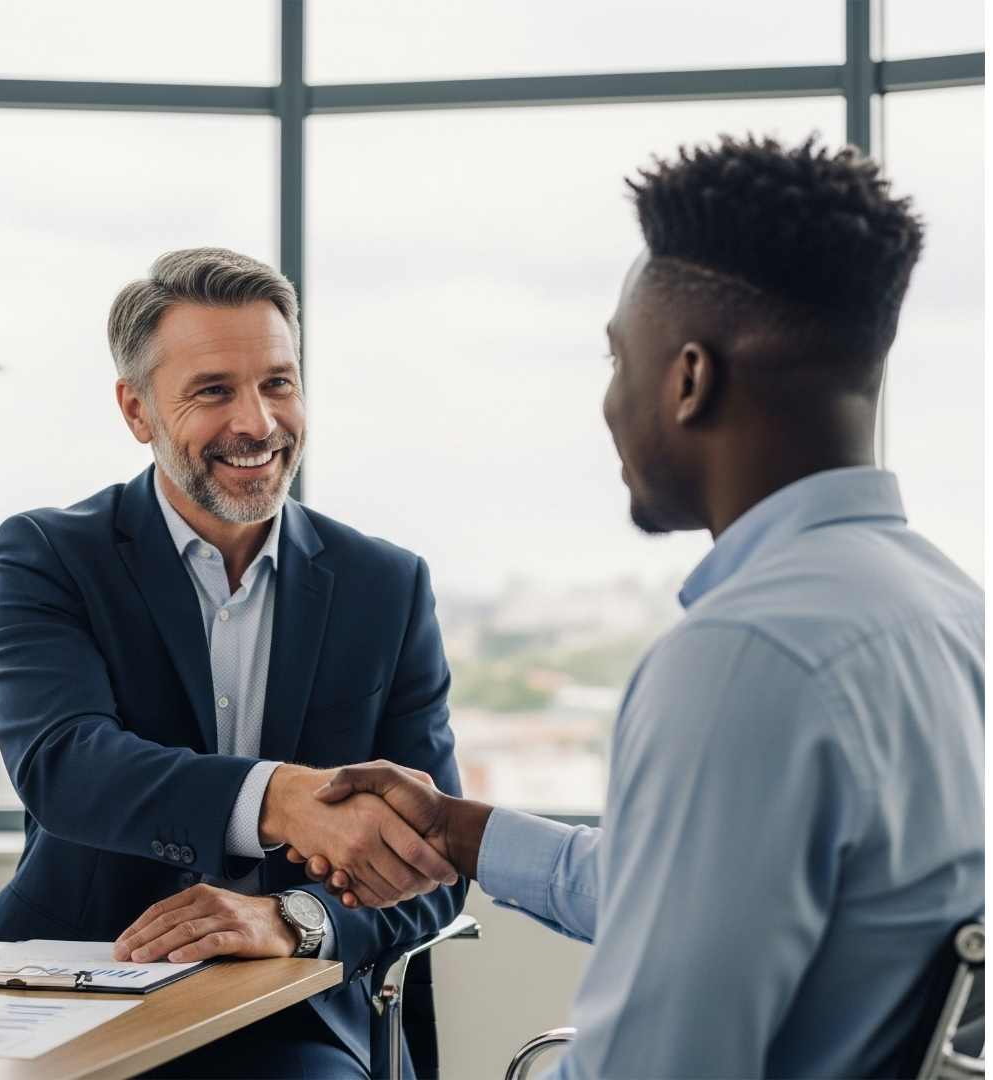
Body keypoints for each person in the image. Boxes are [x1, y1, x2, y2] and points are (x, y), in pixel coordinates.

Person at [290, 137, 985, 1078]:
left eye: (618, 361)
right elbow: (709, 896)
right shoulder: (945, 609)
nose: (610, 404)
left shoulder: (744, 657)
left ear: (689, 379)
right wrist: (458, 831)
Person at [0, 248, 466, 1079]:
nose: (258, 423)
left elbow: (434, 862)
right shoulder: (48, 554)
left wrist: (295, 919)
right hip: (70, 985)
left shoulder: (385, 584)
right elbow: (64, 765)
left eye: (277, 382)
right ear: (137, 410)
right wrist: (282, 799)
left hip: (287, 1010)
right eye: (213, 390)